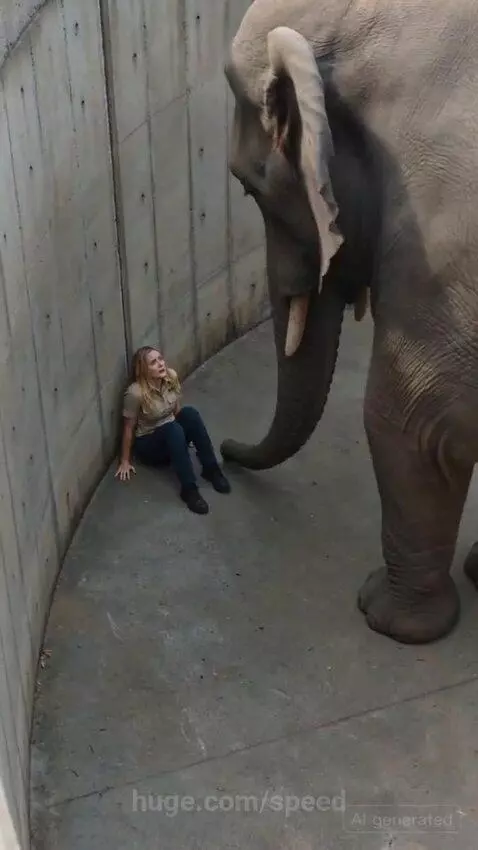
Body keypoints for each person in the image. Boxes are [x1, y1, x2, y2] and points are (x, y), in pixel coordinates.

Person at [115, 346, 231, 514]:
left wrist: (184, 432)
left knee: (190, 414)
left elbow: (176, 409)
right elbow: (128, 428)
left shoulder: (171, 376)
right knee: (172, 429)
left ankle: (211, 470)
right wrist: (125, 461)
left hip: (172, 435)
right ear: (143, 369)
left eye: (160, 359)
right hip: (150, 445)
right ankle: (189, 490)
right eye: (153, 363)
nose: (161, 364)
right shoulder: (135, 393)